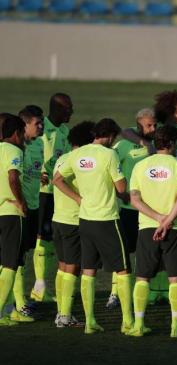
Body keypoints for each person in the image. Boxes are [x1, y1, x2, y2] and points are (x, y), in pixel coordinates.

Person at [53, 118, 133, 335]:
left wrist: (78, 198)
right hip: (107, 219)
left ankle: (89, 322)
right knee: (123, 270)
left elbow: (58, 180)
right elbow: (121, 186)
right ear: (108, 136)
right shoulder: (110, 154)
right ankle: (127, 321)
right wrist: (127, 194)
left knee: (88, 271)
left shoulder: (77, 154)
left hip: (85, 220)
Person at [129, 125, 177, 338]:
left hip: (147, 228)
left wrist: (157, 220)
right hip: (174, 228)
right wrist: (167, 221)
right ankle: (176, 327)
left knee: (142, 278)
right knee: (175, 279)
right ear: (172, 144)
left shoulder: (140, 166)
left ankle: (137, 325)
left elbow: (134, 199)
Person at [106, 108, 155, 309]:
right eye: (148, 125)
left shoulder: (157, 146)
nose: (152, 128)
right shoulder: (124, 145)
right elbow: (109, 169)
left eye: (154, 124)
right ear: (138, 126)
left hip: (150, 212)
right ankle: (115, 293)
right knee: (123, 253)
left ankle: (144, 293)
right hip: (128, 210)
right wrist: (120, 194)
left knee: (147, 254)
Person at [31, 93, 73, 302]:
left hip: (58, 192)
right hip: (42, 193)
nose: (71, 112)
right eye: (68, 109)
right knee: (40, 236)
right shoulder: (40, 128)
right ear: (57, 110)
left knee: (49, 238)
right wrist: (39, 174)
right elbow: (29, 152)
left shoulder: (65, 131)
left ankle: (42, 287)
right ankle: (38, 286)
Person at [52, 121, 95, 327]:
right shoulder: (79, 160)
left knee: (62, 268)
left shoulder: (62, 158)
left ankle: (61, 312)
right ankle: (65, 317)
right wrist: (79, 199)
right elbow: (58, 182)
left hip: (58, 219)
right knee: (72, 268)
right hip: (72, 220)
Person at [13, 105, 44, 317]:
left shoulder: (39, 144)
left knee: (22, 254)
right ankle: (18, 303)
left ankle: (18, 301)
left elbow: (30, 172)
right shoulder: (17, 148)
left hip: (33, 205)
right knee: (14, 258)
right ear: (24, 125)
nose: (41, 127)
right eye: (37, 124)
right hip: (18, 208)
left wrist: (39, 176)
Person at [0, 115, 29, 326]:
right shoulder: (14, 151)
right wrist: (21, 202)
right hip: (10, 213)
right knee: (10, 264)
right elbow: (12, 177)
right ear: (17, 133)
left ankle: (9, 311)